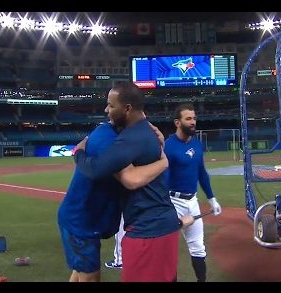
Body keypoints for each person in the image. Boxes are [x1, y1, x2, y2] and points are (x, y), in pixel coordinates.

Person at [74, 81, 195, 282]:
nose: (106, 110)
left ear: (127, 108)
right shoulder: (146, 132)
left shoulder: (133, 137)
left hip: (147, 232)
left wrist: (78, 152)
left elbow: (94, 169)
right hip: (161, 225)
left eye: (111, 105)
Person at [58, 121, 170, 282]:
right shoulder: (106, 137)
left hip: (89, 218)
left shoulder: (121, 138)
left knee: (80, 272)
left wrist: (158, 146)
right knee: (90, 276)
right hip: (80, 220)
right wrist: (163, 161)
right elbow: (130, 178)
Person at [164, 103, 222, 282]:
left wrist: (211, 198)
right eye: (188, 119)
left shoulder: (196, 144)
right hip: (173, 202)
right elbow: (163, 181)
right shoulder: (169, 145)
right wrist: (167, 210)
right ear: (177, 122)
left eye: (194, 118)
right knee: (168, 251)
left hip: (192, 202)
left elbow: (201, 173)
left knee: (198, 248)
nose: (193, 122)